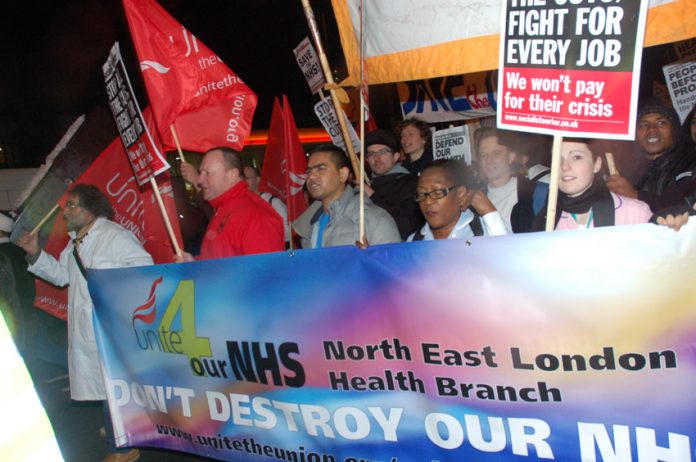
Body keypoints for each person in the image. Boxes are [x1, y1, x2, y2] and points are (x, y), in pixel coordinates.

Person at [16, 184, 152, 462]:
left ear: (90, 211)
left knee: (112, 385)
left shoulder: (113, 236)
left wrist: (110, 288)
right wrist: (35, 253)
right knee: (106, 386)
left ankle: (124, 448)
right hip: (86, 327)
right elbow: (62, 275)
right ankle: (120, 428)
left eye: (73, 205)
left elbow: (144, 267)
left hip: (109, 326)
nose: (66, 210)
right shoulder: (76, 241)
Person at [178, 147, 284, 260]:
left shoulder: (255, 215)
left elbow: (265, 273)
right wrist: (194, 264)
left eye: (207, 173)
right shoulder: (223, 207)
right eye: (200, 173)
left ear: (232, 175)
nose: (199, 180)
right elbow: (218, 260)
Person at [293, 144, 401, 248]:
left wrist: (369, 260)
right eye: (309, 171)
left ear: (342, 174)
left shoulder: (373, 219)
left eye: (321, 169)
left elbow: (393, 264)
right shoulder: (307, 226)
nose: (311, 176)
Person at [535, 139, 653, 231]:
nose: (564, 166)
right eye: (557, 159)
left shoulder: (635, 214)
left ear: (596, 164)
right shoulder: (545, 219)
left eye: (576, 157)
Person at [607, 98, 696, 212]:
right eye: (643, 124)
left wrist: (636, 196)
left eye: (661, 122)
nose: (652, 129)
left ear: (674, 130)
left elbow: (685, 212)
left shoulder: (690, 166)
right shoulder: (624, 173)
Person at [409, 159, 507, 240]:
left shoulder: (486, 230)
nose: (427, 201)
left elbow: (508, 258)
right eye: (421, 194)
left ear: (460, 193)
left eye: (437, 192)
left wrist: (489, 213)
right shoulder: (414, 242)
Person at [476, 128, 548, 233]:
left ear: (511, 157)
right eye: (484, 155)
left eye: (496, 153)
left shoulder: (537, 193)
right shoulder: (473, 199)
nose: (489, 160)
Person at [363, 129, 424, 239]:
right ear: (367, 160)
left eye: (382, 152)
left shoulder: (412, 184)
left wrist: (372, 195)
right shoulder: (365, 186)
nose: (376, 158)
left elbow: (406, 226)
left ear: (396, 156)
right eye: (371, 154)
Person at [243, 166, 290, 245]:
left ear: (257, 180)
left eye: (246, 178)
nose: (243, 182)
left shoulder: (273, 202)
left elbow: (288, 232)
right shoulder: (242, 204)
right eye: (242, 178)